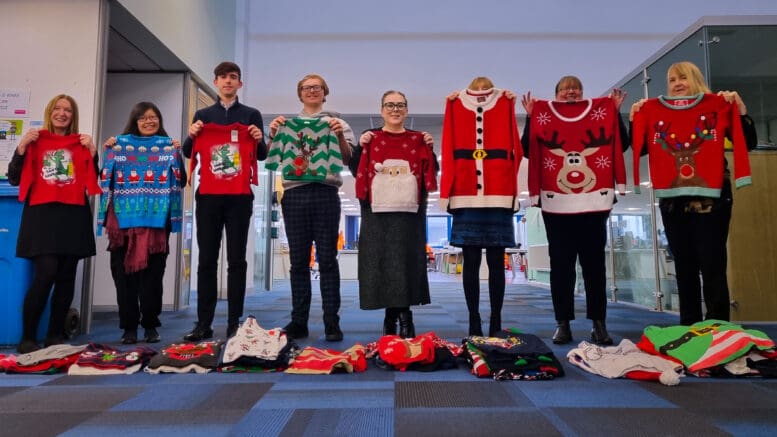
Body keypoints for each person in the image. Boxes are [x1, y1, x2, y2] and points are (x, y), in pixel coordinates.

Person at [630, 61, 757, 325]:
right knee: (684, 267)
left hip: (713, 199)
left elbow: (749, 142)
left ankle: (718, 327)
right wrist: (636, 120)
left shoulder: (716, 106)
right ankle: (688, 327)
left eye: (683, 78)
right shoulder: (656, 111)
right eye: (672, 80)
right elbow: (640, 148)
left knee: (712, 265)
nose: (677, 84)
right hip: (672, 201)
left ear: (695, 79)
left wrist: (740, 110)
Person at [521, 76, 628, 345]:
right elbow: (527, 150)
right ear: (557, 95)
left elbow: (621, 143)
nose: (571, 92)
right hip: (556, 205)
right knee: (561, 267)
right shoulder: (544, 117)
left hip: (594, 205)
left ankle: (599, 324)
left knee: (594, 267)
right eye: (565, 89)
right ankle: (563, 323)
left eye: (576, 89)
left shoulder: (599, 113)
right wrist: (531, 118)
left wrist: (615, 113)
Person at [181, 61, 267, 341]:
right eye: (223, 77)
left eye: (233, 77)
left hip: (240, 197)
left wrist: (258, 137)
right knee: (206, 260)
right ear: (215, 82)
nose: (228, 82)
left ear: (240, 84)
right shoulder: (204, 115)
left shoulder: (251, 114)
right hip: (208, 196)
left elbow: (262, 154)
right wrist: (192, 134)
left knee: (237, 260)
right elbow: (187, 150)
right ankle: (203, 322)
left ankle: (234, 321)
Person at [8, 94, 100, 353]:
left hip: (73, 215)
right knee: (46, 273)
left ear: (73, 116)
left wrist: (92, 152)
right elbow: (14, 179)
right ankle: (27, 336)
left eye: (68, 110)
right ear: (50, 112)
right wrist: (22, 147)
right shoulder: (35, 141)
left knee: (66, 277)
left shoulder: (81, 144)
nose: (62, 113)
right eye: (58, 109)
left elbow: (94, 179)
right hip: (41, 217)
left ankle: (54, 335)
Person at [267, 73, 354, 341]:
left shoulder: (338, 122)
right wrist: (272, 135)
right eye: (306, 88)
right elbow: (271, 155)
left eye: (317, 87)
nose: (312, 91)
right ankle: (298, 321)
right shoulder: (286, 124)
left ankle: (331, 322)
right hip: (294, 194)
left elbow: (349, 159)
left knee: (327, 259)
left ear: (325, 92)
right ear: (300, 93)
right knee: (298, 262)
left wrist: (339, 136)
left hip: (326, 192)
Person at [350, 90, 438, 337]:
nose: (395, 109)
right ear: (381, 110)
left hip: (410, 211)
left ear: (407, 110)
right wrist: (360, 146)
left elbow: (433, 170)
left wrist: (430, 148)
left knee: (405, 262)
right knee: (382, 263)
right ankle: (395, 315)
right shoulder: (371, 138)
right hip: (377, 212)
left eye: (400, 105)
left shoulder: (419, 139)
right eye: (390, 105)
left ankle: (401, 316)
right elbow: (355, 167)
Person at [100, 102, 186, 344]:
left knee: (152, 279)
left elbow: (181, 180)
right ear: (135, 122)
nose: (149, 121)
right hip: (122, 225)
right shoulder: (119, 146)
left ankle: (150, 323)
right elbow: (104, 178)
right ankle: (128, 327)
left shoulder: (168, 147)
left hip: (157, 224)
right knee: (123, 277)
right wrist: (109, 151)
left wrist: (176, 155)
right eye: (143, 118)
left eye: (154, 117)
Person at [441, 77, 522, 337]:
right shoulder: (454, 104)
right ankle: (473, 319)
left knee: (498, 261)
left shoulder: (505, 102)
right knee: (471, 261)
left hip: (498, 192)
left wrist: (513, 190)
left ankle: (496, 319)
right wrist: (448, 192)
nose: (478, 94)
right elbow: (447, 145)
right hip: (465, 192)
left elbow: (516, 149)